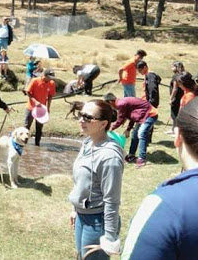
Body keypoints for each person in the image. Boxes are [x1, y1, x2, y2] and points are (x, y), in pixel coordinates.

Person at [121, 98, 198, 259]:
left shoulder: (165, 204)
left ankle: (141, 157)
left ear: (177, 137)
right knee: (137, 132)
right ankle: (132, 154)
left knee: (141, 133)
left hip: (150, 116)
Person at [69, 100, 124, 260]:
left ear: (103, 124)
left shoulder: (109, 157)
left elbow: (112, 201)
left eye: (88, 117)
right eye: (81, 115)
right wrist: (75, 208)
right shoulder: (87, 143)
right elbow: (80, 181)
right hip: (82, 215)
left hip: (97, 221)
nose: (81, 120)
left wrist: (110, 236)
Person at [104, 93, 157, 168]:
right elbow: (133, 115)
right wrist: (128, 129)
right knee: (134, 134)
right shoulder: (122, 102)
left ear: (110, 102)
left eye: (109, 106)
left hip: (150, 114)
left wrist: (111, 128)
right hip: (142, 115)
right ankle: (131, 155)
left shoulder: (120, 104)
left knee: (141, 134)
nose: (111, 108)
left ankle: (142, 159)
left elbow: (120, 119)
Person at [24, 68, 57, 146]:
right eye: (49, 77)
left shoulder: (51, 83)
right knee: (26, 126)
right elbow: (28, 92)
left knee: (39, 128)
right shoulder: (35, 81)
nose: (50, 80)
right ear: (44, 75)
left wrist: (48, 108)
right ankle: (23, 144)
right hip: (31, 107)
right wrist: (35, 101)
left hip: (42, 109)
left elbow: (50, 96)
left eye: (52, 78)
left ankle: (37, 144)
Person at [168, 61, 185, 133]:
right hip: (182, 96)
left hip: (176, 97)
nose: (171, 68)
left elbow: (175, 88)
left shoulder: (176, 76)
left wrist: (171, 98)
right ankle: (173, 129)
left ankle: (176, 131)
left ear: (176, 67)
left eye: (173, 67)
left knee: (174, 114)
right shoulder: (183, 75)